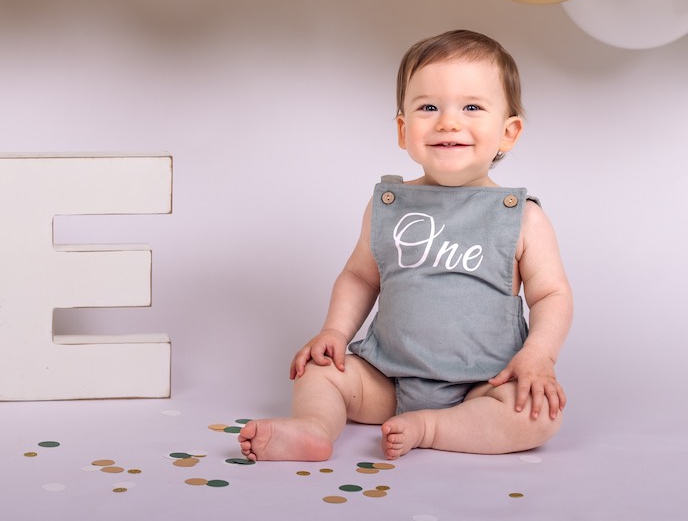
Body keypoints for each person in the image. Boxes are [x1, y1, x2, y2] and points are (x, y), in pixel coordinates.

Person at [239, 30, 572, 461]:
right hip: (387, 379)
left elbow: (551, 295)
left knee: (538, 416)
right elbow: (359, 277)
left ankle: (431, 427)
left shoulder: (521, 217)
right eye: (428, 107)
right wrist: (335, 332)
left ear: (508, 132)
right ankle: (314, 427)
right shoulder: (389, 206)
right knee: (320, 372)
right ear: (402, 129)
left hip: (484, 384)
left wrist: (539, 356)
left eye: (471, 107)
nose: (448, 122)